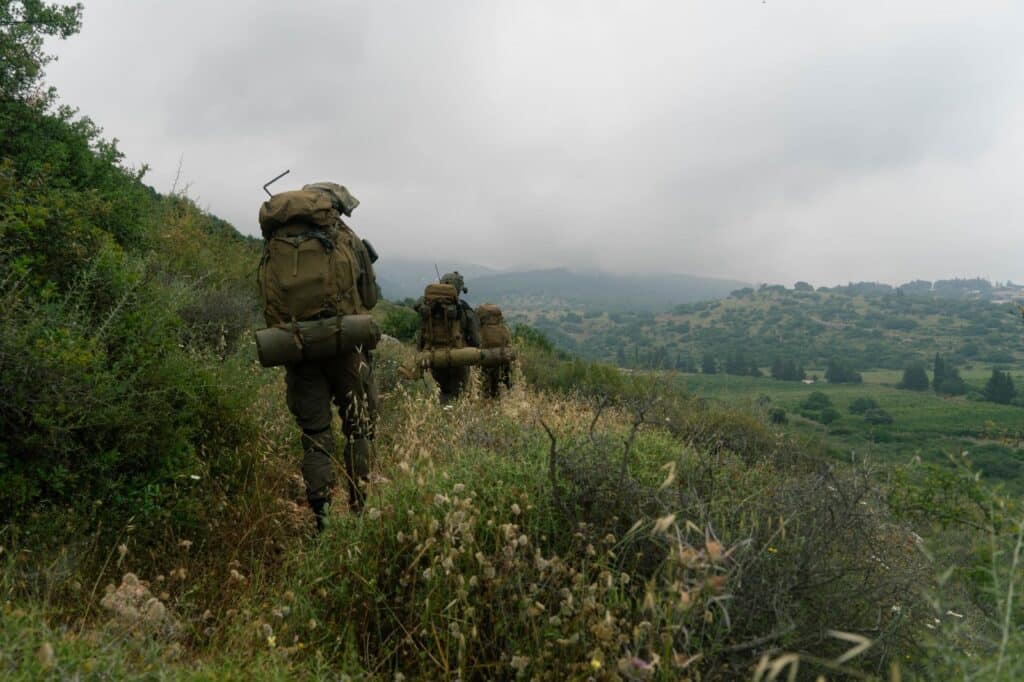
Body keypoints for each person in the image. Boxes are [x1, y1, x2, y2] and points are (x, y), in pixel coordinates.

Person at [258, 181, 380, 530]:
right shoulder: (346, 238)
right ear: (335, 207)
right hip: (346, 348)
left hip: (299, 349)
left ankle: (323, 521)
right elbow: (369, 299)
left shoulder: (276, 242)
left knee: (315, 436)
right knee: (359, 429)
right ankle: (360, 509)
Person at [415, 271, 481, 403]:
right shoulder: (464, 309)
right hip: (459, 358)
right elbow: (475, 340)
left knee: (443, 392)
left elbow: (421, 335)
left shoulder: (427, 308)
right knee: (460, 395)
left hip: (434, 358)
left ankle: (443, 416)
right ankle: (456, 420)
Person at [476, 303, 513, 398]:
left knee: (483, 389)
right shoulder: (503, 330)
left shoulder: (479, 331)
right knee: (500, 388)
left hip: (484, 364)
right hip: (501, 363)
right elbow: (508, 347)